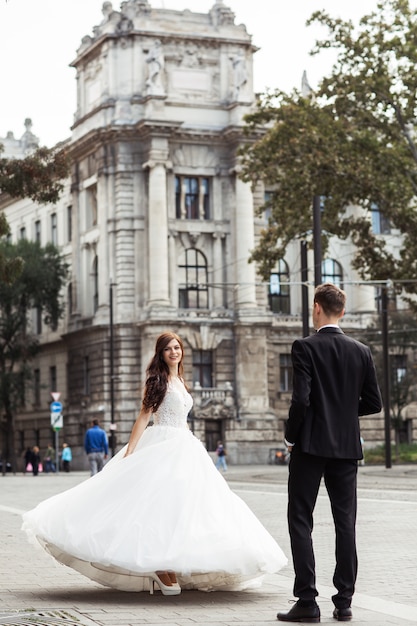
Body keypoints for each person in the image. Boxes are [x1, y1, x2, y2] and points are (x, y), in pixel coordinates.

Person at [22, 331, 287, 596]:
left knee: (190, 507)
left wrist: (193, 444)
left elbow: (182, 418)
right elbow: (143, 417)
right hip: (161, 442)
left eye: (177, 347)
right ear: (160, 354)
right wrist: (131, 451)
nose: (174, 352)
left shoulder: (181, 380)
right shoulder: (156, 380)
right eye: (168, 349)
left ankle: (178, 562)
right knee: (159, 505)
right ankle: (161, 566)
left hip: (185, 445)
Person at [277, 284, 382, 624]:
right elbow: (374, 403)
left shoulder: (304, 347)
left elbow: (301, 401)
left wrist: (291, 436)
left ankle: (307, 602)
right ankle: (345, 601)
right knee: (345, 524)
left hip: (309, 446)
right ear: (344, 312)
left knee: (300, 520)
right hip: (346, 448)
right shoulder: (361, 351)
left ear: (317, 308)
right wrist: (342, 414)